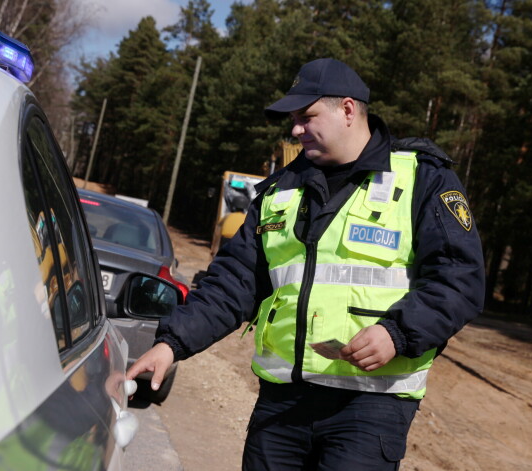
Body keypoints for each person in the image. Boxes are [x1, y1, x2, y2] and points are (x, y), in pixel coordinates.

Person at [127, 58, 485, 470]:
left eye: (306, 116)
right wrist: (171, 344)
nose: (295, 129)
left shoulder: (423, 179)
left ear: (348, 110)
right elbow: (233, 282)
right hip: (282, 405)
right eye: (293, 119)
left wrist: (397, 333)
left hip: (369, 409)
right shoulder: (281, 190)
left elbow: (460, 279)